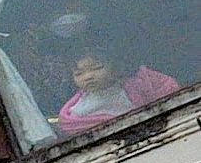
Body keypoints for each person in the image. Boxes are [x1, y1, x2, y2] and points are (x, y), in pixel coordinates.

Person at [53, 49, 181, 133]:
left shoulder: (135, 89)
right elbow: (71, 127)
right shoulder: (75, 110)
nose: (88, 76)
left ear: (115, 68)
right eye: (79, 74)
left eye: (97, 68)